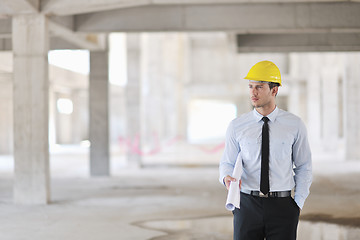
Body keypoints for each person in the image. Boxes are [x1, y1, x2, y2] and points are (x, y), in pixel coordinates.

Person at [219, 60, 312, 240]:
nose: (253, 93)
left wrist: (297, 204)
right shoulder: (237, 126)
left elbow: (304, 166)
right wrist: (226, 177)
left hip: (283, 206)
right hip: (246, 205)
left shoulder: (295, 125)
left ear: (274, 90)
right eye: (250, 87)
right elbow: (227, 162)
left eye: (259, 87)